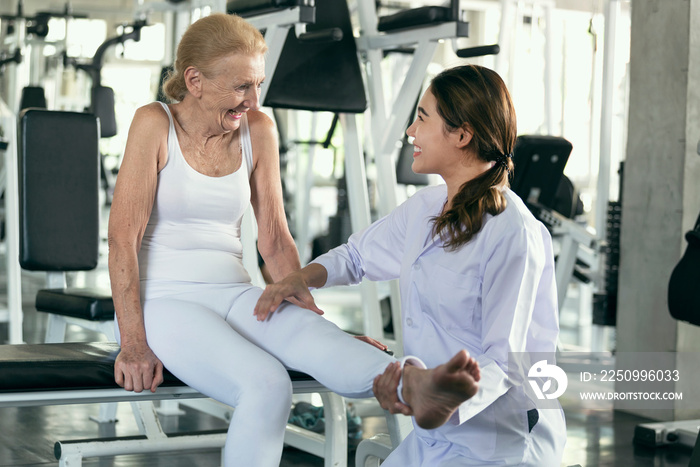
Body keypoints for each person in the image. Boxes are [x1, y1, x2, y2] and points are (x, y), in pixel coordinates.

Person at [108, 13, 480, 467]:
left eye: (258, 84)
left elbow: (275, 241)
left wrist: (313, 323)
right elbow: (122, 239)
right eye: (242, 86)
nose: (253, 99)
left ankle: (413, 386)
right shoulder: (153, 123)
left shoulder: (258, 130)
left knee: (318, 339)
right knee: (266, 384)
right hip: (164, 302)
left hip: (235, 291)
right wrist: (132, 342)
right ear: (195, 81)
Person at [255, 64, 567, 465]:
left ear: (462, 134)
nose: (410, 132)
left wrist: (442, 393)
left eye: (422, 118)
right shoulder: (427, 207)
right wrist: (299, 279)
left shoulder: (513, 232)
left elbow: (506, 363)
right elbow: (355, 256)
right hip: (431, 434)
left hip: (497, 441)